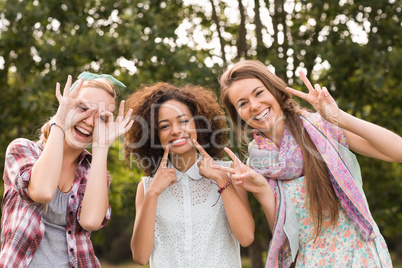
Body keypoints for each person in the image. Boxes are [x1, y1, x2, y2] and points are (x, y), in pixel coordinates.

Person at [215, 59, 401, 267]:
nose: (255, 106)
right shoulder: (257, 162)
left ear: (274, 90)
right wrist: (261, 191)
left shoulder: (321, 128)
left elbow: (398, 151)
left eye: (259, 93)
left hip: (358, 256)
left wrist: (338, 118)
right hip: (311, 260)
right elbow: (285, 234)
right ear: (237, 114)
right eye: (243, 103)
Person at [0, 72, 134, 267]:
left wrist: (102, 146)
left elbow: (91, 222)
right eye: (82, 108)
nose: (89, 121)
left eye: (101, 118)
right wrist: (60, 123)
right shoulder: (23, 150)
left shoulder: (94, 171)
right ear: (65, 106)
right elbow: (42, 191)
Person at [124, 82, 255, 267]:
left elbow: (246, 237)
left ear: (199, 124)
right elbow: (140, 257)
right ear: (155, 135)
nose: (176, 130)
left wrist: (220, 179)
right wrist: (152, 194)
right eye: (164, 126)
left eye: (184, 121)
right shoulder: (147, 188)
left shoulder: (228, 173)